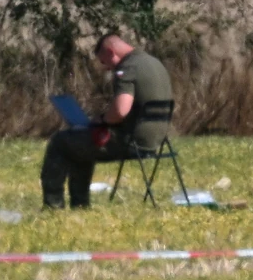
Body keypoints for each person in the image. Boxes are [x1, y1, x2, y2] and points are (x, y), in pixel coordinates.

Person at [40, 33, 174, 209]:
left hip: (131, 141)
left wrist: (100, 120)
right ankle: (79, 205)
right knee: (80, 145)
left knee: (60, 141)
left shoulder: (128, 68)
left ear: (111, 52)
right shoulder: (154, 63)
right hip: (157, 139)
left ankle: (53, 205)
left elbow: (120, 110)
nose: (107, 68)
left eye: (104, 62)